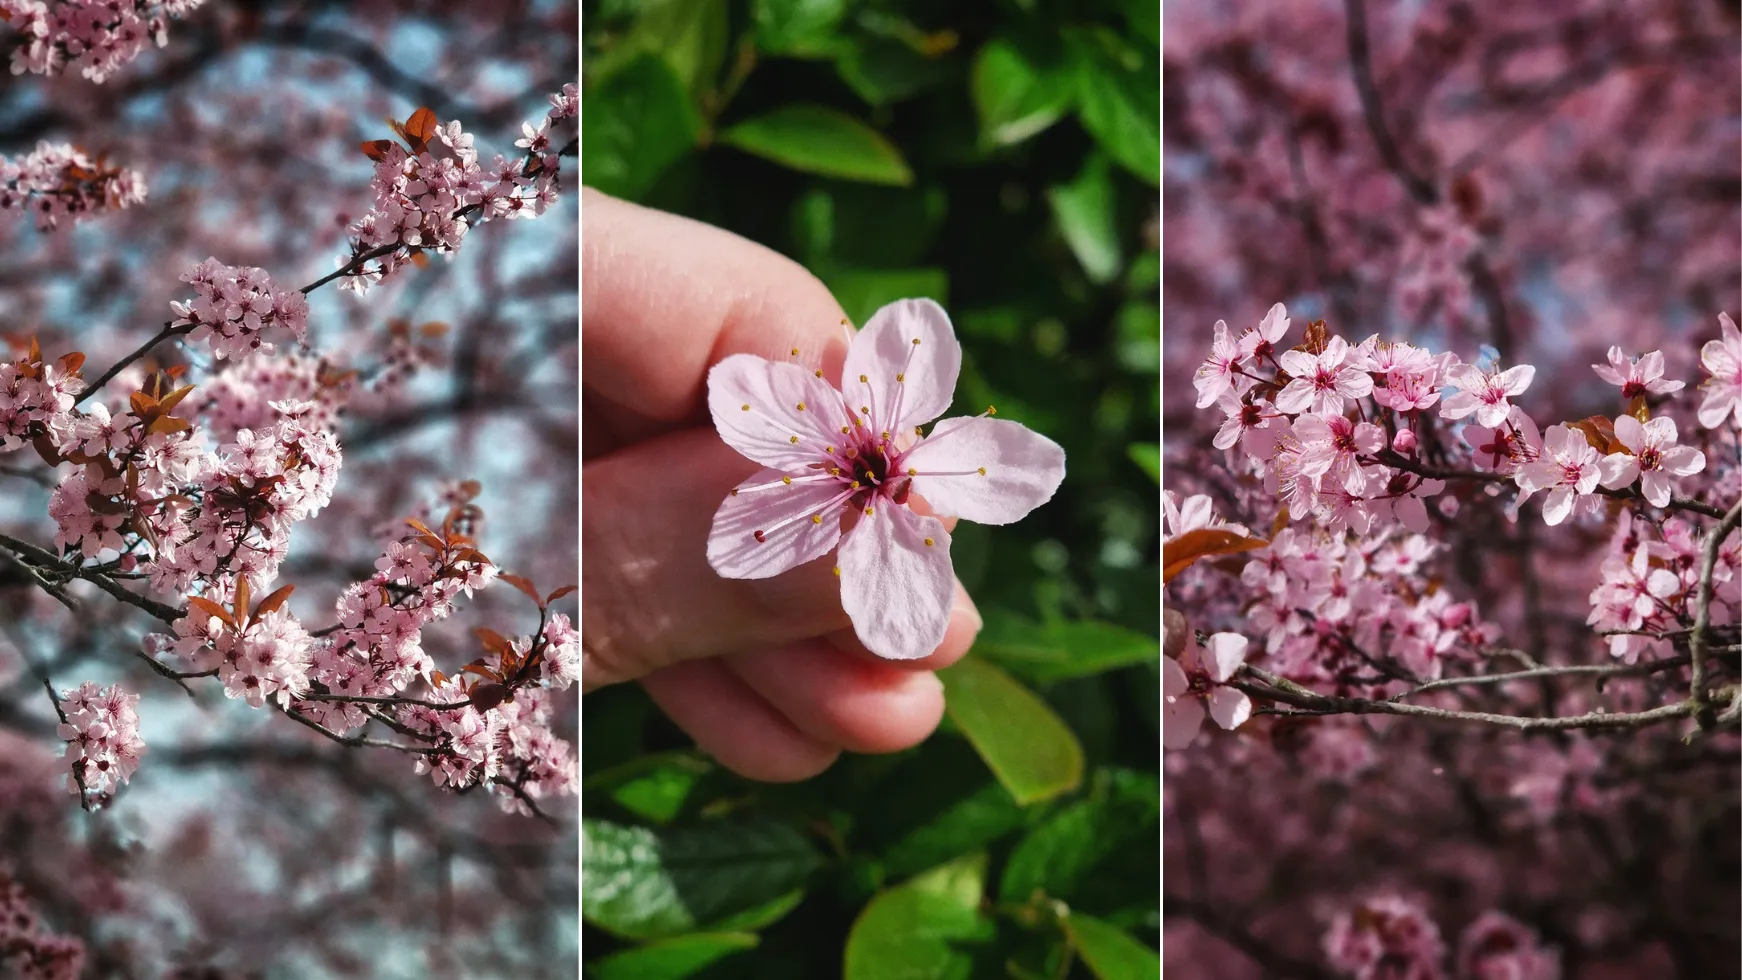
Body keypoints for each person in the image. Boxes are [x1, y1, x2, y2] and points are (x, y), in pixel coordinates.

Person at [580, 188, 984, 782]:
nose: (878, 468)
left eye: (882, 467)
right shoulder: (834, 471)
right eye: (873, 467)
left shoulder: (899, 464)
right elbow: (743, 398)